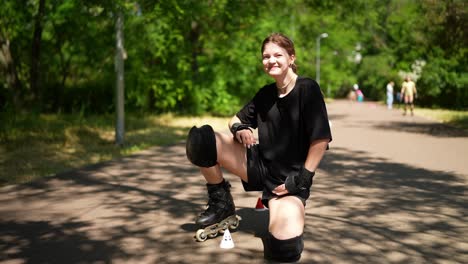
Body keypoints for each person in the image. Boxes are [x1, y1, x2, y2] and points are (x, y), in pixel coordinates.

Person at [185, 33, 332, 262]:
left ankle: (287, 216)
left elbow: (320, 140)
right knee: (202, 139)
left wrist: (302, 179)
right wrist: (240, 128)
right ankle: (221, 202)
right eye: (266, 56)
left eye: (277, 55)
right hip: (259, 166)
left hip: (288, 183)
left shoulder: (307, 89)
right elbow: (234, 119)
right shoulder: (265, 94)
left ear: (291, 58)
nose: (271, 61)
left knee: (284, 249)